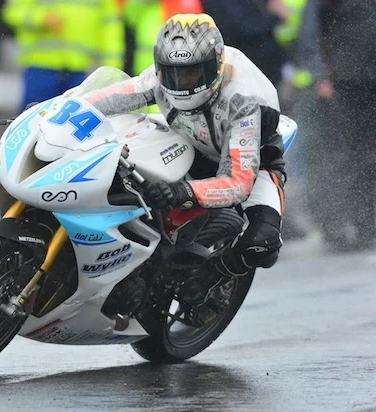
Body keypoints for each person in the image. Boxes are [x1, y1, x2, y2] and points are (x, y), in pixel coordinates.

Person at [87, 13, 286, 322]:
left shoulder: (243, 101)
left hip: (249, 158)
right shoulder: (159, 78)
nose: (180, 84)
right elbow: (110, 98)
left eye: (192, 75)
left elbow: (237, 182)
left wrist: (181, 191)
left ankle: (211, 276)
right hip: (187, 141)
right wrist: (59, 109)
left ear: (214, 66)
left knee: (263, 244)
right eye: (172, 74)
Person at [308, 0, 376, 252]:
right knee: (343, 153)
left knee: (366, 153)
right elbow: (315, 32)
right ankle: (336, 222)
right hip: (342, 79)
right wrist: (320, 74)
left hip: (375, 78)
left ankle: (364, 220)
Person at [2, 0, 125, 111]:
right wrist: (41, 18)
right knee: (34, 123)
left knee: (71, 127)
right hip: (41, 68)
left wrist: (112, 72)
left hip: (79, 72)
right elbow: (13, 12)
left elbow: (110, 28)